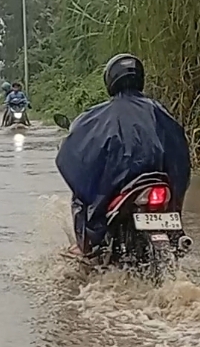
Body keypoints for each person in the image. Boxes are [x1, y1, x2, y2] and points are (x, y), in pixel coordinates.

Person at [55, 54, 191, 257]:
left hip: (120, 185)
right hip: (159, 182)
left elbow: (76, 151)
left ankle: (87, 245)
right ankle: (176, 234)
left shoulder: (97, 116)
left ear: (111, 80)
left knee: (81, 200)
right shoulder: (160, 112)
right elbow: (180, 151)